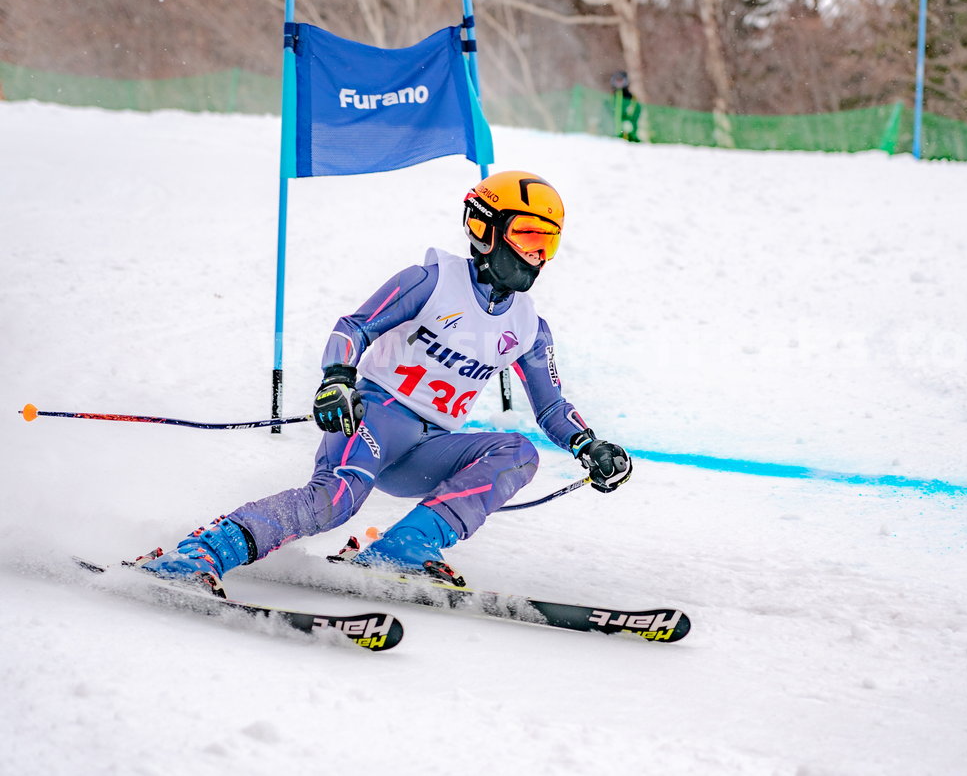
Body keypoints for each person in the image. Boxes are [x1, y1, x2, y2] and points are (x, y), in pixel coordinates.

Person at [139, 171, 632, 593]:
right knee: (336, 501)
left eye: (548, 243)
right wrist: (336, 380)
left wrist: (589, 445)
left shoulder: (527, 326)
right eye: (527, 237)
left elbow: (550, 407)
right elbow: (353, 327)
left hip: (426, 448)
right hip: (372, 417)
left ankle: (404, 550)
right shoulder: (432, 281)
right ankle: (200, 553)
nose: (536, 256)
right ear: (484, 229)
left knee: (518, 454)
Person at [609, 71, 642, 143]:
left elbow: (636, 116)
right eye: (617, 81)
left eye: (621, 81)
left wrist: (630, 129)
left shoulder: (632, 99)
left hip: (629, 138)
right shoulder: (610, 98)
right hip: (611, 138)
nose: (619, 83)